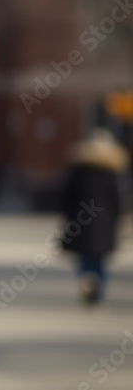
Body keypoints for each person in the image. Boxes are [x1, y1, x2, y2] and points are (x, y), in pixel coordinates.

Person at [60, 127, 129, 305]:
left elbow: (67, 196)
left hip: (80, 221)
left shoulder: (78, 170)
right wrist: (118, 219)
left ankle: (86, 278)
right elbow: (117, 201)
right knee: (100, 258)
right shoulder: (110, 173)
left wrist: (67, 217)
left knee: (84, 256)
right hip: (104, 223)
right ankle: (97, 286)